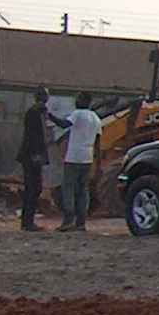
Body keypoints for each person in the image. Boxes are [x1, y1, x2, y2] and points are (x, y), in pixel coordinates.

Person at [54, 91, 103, 232]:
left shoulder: (78, 114)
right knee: (83, 190)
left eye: (78, 98)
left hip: (73, 157)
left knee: (68, 188)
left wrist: (49, 116)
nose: (76, 101)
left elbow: (64, 124)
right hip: (87, 158)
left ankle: (68, 220)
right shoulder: (96, 118)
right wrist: (98, 164)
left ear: (82, 100)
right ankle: (81, 222)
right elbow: (98, 143)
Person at [18, 88, 54, 232]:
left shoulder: (37, 111)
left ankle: (27, 221)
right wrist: (36, 154)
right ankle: (27, 222)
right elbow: (34, 136)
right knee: (33, 188)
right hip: (32, 156)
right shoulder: (36, 112)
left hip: (33, 155)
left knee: (34, 188)